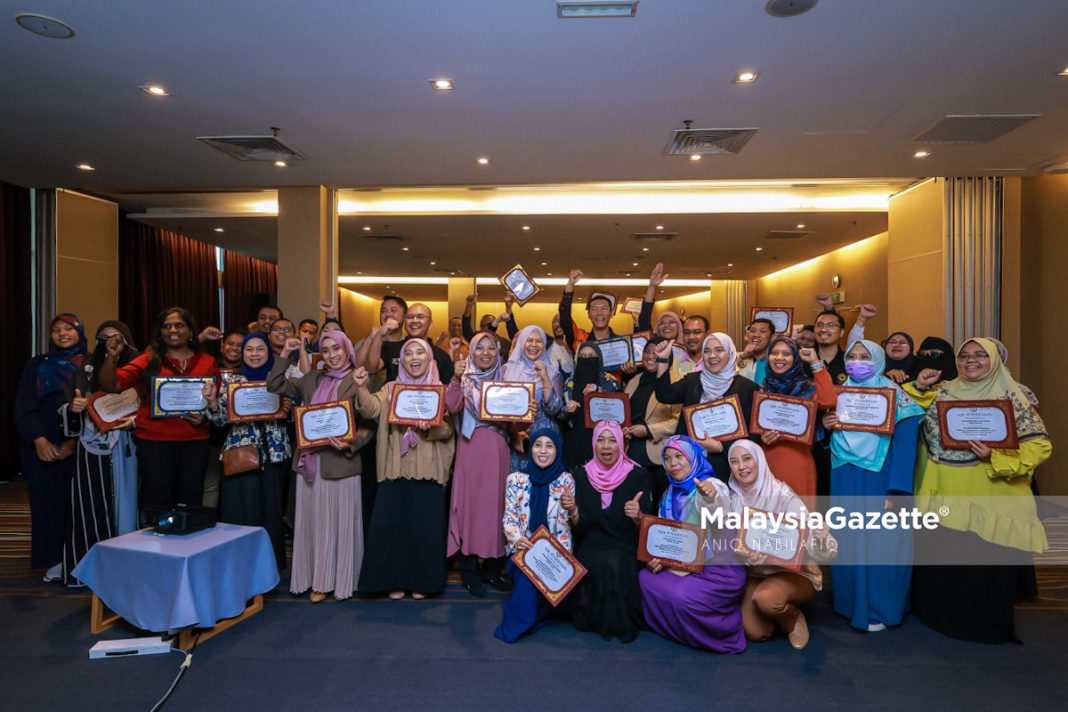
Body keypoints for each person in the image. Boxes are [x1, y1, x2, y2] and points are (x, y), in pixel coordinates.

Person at [907, 338, 1051, 643]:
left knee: (981, 566)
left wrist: (996, 457)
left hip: (990, 492)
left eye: (980, 355)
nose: (970, 361)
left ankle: (982, 626)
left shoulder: (1012, 397)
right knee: (945, 564)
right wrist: (919, 385)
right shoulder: (943, 391)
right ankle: (937, 617)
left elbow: (1039, 446)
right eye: (964, 356)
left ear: (994, 361)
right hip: (943, 489)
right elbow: (905, 408)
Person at [823, 339, 924, 632]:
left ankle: (881, 608)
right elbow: (825, 436)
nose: (857, 362)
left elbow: (906, 448)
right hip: (845, 474)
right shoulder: (839, 394)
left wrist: (897, 490)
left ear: (878, 361)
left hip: (881, 478)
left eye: (865, 357)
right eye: (852, 356)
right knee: (848, 539)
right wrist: (827, 426)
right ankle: (850, 604)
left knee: (882, 544)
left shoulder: (897, 397)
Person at [267, 328, 371, 601]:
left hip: (341, 464)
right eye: (325, 350)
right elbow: (275, 385)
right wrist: (285, 353)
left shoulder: (358, 378)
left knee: (340, 525)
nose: (332, 355)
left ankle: (343, 579)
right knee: (314, 525)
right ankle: (317, 581)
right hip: (310, 464)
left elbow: (370, 424)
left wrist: (351, 444)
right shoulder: (311, 378)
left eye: (336, 349)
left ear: (347, 349)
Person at [355, 339, 455, 600]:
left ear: (429, 358)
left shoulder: (440, 390)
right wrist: (362, 387)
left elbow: (448, 430)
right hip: (395, 466)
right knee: (393, 526)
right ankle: (394, 580)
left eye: (420, 352)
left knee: (424, 528)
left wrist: (431, 427)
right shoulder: (390, 388)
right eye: (408, 353)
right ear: (402, 360)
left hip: (428, 466)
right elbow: (370, 409)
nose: (414, 357)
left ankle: (423, 582)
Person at [96, 307, 219, 517]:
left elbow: (216, 400)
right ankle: (156, 537)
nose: (173, 330)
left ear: (190, 331)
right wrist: (112, 358)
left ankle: (187, 537)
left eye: (179, 325)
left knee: (190, 501)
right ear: (160, 332)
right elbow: (112, 385)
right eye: (166, 326)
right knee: (157, 501)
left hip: (195, 441)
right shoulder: (148, 360)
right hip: (154, 442)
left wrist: (205, 419)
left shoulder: (208, 361)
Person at [639, 435, 747, 653]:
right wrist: (659, 560)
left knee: (682, 597)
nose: (673, 463)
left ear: (693, 458)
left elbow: (718, 511)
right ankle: (677, 630)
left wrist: (709, 497)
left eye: (679, 456)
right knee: (645, 577)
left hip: (718, 566)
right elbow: (666, 536)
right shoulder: (669, 493)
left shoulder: (711, 484)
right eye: (667, 458)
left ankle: (721, 634)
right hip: (685, 562)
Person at [724, 441, 837, 650]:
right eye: (734, 461)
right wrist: (745, 556)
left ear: (759, 461)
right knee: (756, 632)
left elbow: (823, 553)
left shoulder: (783, 496)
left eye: (747, 459)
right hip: (756, 573)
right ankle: (773, 611)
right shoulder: (731, 499)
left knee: (766, 598)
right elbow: (729, 543)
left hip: (794, 572)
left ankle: (791, 617)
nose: (741, 467)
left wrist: (821, 537)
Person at [59, 321, 140, 586]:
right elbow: (65, 405)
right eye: (103, 338)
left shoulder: (140, 367)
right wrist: (73, 408)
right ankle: (88, 572)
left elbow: (154, 406)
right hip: (90, 446)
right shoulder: (84, 369)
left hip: (129, 446)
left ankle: (126, 573)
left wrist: (137, 421)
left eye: (116, 337)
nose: (111, 343)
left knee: (128, 506)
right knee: (88, 507)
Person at [204, 332, 292, 571]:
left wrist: (288, 408)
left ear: (269, 352)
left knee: (271, 512)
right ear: (243, 353)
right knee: (242, 511)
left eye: (260, 349)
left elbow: (297, 416)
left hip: (274, 455)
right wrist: (212, 402)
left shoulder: (280, 378)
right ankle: (240, 568)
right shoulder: (233, 381)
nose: (254, 354)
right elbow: (220, 420)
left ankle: (269, 569)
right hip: (240, 456)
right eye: (249, 349)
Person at [569, 420, 654, 642]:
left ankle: (618, 622)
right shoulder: (580, 475)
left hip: (624, 543)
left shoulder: (637, 474)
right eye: (600, 440)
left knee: (615, 562)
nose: (606, 446)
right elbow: (580, 527)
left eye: (612, 440)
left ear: (621, 443)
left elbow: (647, 525)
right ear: (593, 443)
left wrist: (638, 515)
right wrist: (574, 511)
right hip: (591, 542)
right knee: (590, 561)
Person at [16, 314, 86, 579]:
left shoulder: (90, 364)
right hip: (40, 445)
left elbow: (98, 404)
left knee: (77, 503)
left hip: (82, 445)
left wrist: (72, 442)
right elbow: (24, 404)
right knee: (46, 503)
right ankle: (53, 560)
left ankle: (80, 557)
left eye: (69, 328)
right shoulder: (38, 364)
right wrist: (39, 440)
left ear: (80, 331)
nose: (62, 334)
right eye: (56, 330)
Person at [446, 332, 513, 597]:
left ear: (498, 353)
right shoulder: (464, 381)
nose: (486, 353)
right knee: (470, 508)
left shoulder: (506, 382)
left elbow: (514, 420)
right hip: (471, 449)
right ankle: (470, 570)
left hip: (498, 450)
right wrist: (455, 378)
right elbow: (451, 405)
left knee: (496, 508)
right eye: (480, 348)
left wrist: (526, 410)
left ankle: (492, 570)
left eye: (491, 349)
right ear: (471, 352)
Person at [495, 429, 577, 643]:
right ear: (530, 449)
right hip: (524, 549)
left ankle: (534, 612)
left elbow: (565, 528)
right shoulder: (515, 479)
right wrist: (517, 539)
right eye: (538, 445)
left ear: (557, 451)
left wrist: (559, 557)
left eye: (549, 446)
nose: (543, 451)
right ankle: (519, 623)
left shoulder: (566, 480)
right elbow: (509, 519)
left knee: (551, 585)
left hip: (554, 553)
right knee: (528, 577)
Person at [654, 333, 759, 481]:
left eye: (719, 350)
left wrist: (721, 446)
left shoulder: (747, 388)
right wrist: (663, 359)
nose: (712, 356)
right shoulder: (693, 381)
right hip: (690, 465)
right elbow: (664, 395)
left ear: (730, 353)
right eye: (707, 351)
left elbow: (753, 435)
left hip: (728, 466)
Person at [758, 337, 837, 504]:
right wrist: (760, 438)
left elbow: (828, 400)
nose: (779, 358)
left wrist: (815, 362)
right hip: (766, 461)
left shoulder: (805, 387)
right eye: (774, 353)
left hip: (798, 462)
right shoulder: (762, 389)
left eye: (786, 354)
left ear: (795, 358)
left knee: (798, 515)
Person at [623, 336, 681, 501]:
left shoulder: (675, 381)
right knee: (636, 502)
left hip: (659, 455)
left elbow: (679, 420)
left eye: (656, 353)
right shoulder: (634, 381)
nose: (650, 356)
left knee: (660, 503)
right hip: (631, 452)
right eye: (647, 352)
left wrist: (649, 430)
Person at [502, 325, 564, 472]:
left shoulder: (553, 373)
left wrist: (545, 378)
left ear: (544, 345)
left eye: (539, 341)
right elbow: (499, 408)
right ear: (521, 343)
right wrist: (513, 431)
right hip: (516, 436)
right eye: (529, 340)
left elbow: (554, 408)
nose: (534, 345)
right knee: (519, 480)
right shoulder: (506, 370)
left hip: (545, 436)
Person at [559, 342, 622, 468]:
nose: (587, 360)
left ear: (599, 359)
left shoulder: (610, 381)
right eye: (582, 356)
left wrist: (598, 390)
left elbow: (620, 408)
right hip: (574, 442)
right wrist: (567, 410)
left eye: (591, 356)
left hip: (603, 443)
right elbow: (561, 417)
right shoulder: (570, 383)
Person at [367, 302, 454, 384]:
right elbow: (371, 369)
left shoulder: (442, 356)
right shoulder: (391, 348)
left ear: (430, 324)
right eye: (409, 317)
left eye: (420, 316)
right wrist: (379, 335)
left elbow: (449, 390)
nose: (414, 320)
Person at [356, 294, 408, 381]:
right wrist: (370, 339)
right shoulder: (368, 340)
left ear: (405, 315)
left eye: (393, 310)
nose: (388, 314)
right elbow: (358, 367)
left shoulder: (408, 344)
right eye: (383, 311)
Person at [737, 318, 775, 386]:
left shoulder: (776, 361)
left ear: (772, 338)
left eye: (762, 331)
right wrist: (742, 357)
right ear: (747, 336)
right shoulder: (738, 357)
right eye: (752, 331)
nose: (756, 335)